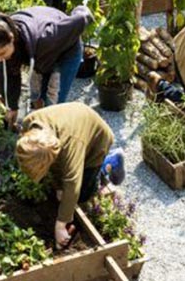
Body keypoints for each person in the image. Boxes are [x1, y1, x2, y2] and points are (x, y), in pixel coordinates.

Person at [15, 102, 123, 248]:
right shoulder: (31, 126)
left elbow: (73, 184)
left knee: (83, 194)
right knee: (63, 186)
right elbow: (49, 162)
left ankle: (109, 163)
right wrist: (59, 187)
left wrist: (61, 225)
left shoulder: (71, 146)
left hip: (96, 140)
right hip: (73, 121)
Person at [0, 5, 93, 128]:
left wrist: (82, 12)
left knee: (52, 103)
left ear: (12, 38)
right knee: (36, 95)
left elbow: (78, 21)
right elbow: (8, 77)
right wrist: (11, 107)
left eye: (2, 54)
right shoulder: (0, 43)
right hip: (40, 53)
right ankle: (39, 124)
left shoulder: (48, 36)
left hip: (65, 53)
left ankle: (49, 131)